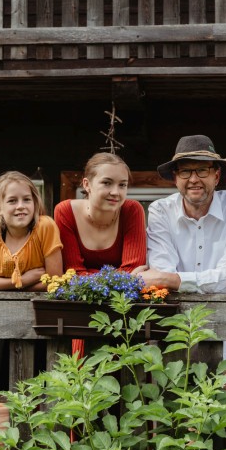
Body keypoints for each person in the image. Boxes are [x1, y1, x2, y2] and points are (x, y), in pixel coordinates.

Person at [136, 134, 226, 363]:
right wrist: (165, 278)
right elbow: (161, 269)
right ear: (175, 177)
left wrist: (170, 279)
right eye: (185, 171)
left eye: (202, 170)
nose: (194, 179)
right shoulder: (161, 210)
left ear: (216, 176)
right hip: (174, 332)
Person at [54, 152, 147, 356]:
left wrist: (93, 276)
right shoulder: (65, 212)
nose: (116, 192)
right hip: (83, 315)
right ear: (87, 184)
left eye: (122, 185)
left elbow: (133, 269)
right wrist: (123, 277)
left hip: (125, 315)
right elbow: (73, 274)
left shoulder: (132, 210)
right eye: (107, 183)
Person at [0, 171, 63, 291]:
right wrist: (21, 281)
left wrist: (5, 288)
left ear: (34, 202)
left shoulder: (45, 227)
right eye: (12, 201)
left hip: (37, 306)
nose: (20, 206)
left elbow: (55, 281)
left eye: (27, 199)